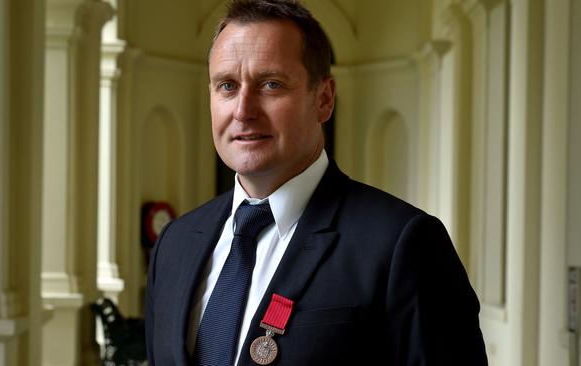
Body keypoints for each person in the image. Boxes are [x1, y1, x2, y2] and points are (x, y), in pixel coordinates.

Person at [144, 0, 488, 365]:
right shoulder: (175, 244)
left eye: (271, 84)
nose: (243, 110)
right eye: (227, 86)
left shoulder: (403, 244)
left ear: (323, 99)